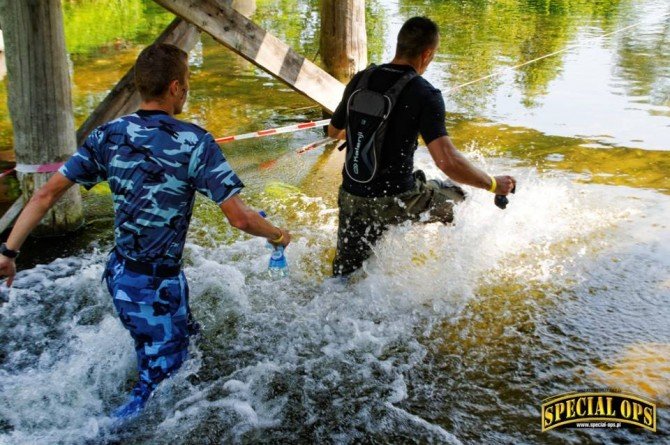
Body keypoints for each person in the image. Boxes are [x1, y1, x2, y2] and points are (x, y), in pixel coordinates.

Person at [0, 43, 291, 419]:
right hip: (153, 286)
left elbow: (46, 194)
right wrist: (278, 235)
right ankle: (101, 433)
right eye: (185, 86)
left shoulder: (108, 135)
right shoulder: (194, 142)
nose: (186, 93)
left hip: (121, 275)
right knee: (156, 395)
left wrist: (8, 253)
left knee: (186, 340)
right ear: (174, 88)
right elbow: (240, 218)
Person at [328, 16, 516, 276]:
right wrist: (493, 184)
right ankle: (448, 277)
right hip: (397, 198)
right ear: (427, 54)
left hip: (352, 196)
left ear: (399, 45)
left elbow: (334, 131)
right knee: (458, 198)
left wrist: (365, 131)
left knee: (344, 276)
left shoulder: (362, 78)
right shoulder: (425, 93)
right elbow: (447, 162)